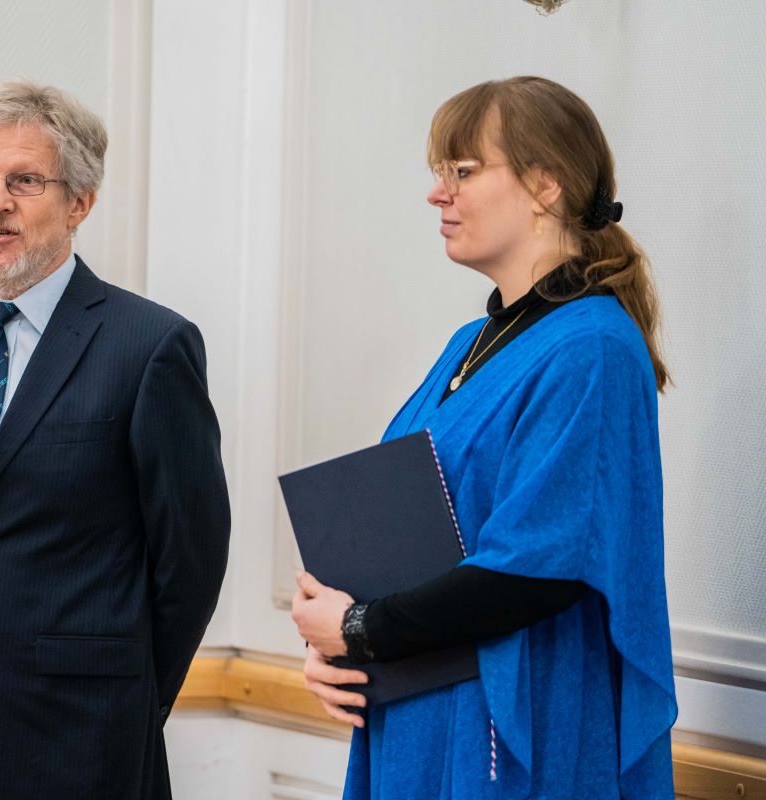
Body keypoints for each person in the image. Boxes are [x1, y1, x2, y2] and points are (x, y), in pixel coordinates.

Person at [291, 76, 676, 799]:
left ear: (546, 185)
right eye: (440, 173)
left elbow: (536, 571)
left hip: (515, 717)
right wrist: (337, 644)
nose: (437, 194)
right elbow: (408, 533)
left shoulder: (592, 347)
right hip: (418, 705)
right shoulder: (469, 344)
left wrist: (361, 628)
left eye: (463, 172)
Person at [0, 80, 230, 800]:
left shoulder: (148, 345)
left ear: (80, 202)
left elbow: (189, 559)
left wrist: (127, 694)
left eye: (24, 181)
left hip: (75, 737)